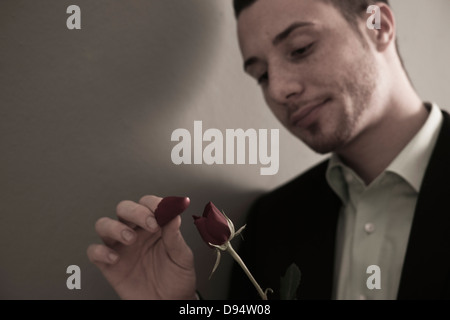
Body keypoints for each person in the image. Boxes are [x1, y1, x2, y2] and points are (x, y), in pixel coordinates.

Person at [87, 0, 450, 300]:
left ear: (378, 25)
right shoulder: (270, 224)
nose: (277, 90)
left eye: (300, 48)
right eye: (261, 75)